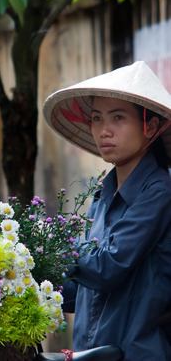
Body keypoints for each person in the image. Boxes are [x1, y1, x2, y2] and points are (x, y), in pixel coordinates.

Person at [42, 61, 171, 361]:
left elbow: (107, 267)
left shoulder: (159, 191)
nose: (104, 130)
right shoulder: (103, 194)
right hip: (92, 353)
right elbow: (84, 289)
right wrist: (31, 279)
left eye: (117, 117)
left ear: (149, 127)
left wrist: (56, 246)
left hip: (136, 354)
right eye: (97, 118)